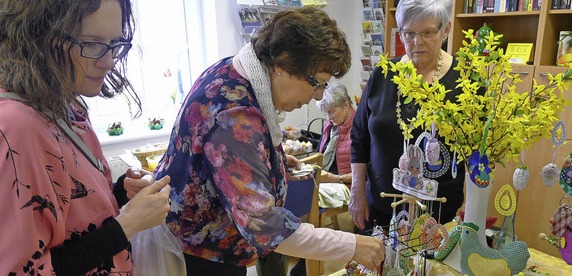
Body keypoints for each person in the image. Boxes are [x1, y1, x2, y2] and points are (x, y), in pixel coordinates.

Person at [146, 7, 384, 276]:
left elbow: (231, 162)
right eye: (316, 83)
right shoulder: (235, 116)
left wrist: (272, 162)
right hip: (202, 259)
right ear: (282, 63)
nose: (317, 96)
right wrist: (352, 245)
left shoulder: (234, 72)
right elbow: (265, 226)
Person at [0, 0, 171, 275]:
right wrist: (127, 224)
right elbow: (24, 269)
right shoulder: (17, 127)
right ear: (39, 36)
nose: (109, 60)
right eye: (91, 44)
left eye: (114, 43)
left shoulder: (68, 105)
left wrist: (120, 193)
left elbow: (71, 217)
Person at [350, 0, 465, 231]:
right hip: (380, 210)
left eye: (428, 32)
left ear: (446, 30)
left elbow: (477, 154)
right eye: (409, 33)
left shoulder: (465, 80)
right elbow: (359, 137)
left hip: (439, 216)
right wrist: (357, 192)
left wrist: (472, 210)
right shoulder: (382, 74)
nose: (417, 42)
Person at [290, 82, 356, 276]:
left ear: (346, 105)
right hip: (325, 176)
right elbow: (322, 156)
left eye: (332, 112)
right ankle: (303, 253)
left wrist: (335, 178)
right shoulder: (332, 125)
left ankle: (305, 262)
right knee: (292, 189)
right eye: (326, 114)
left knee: (307, 197)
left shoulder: (360, 128)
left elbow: (364, 174)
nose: (329, 118)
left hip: (346, 182)